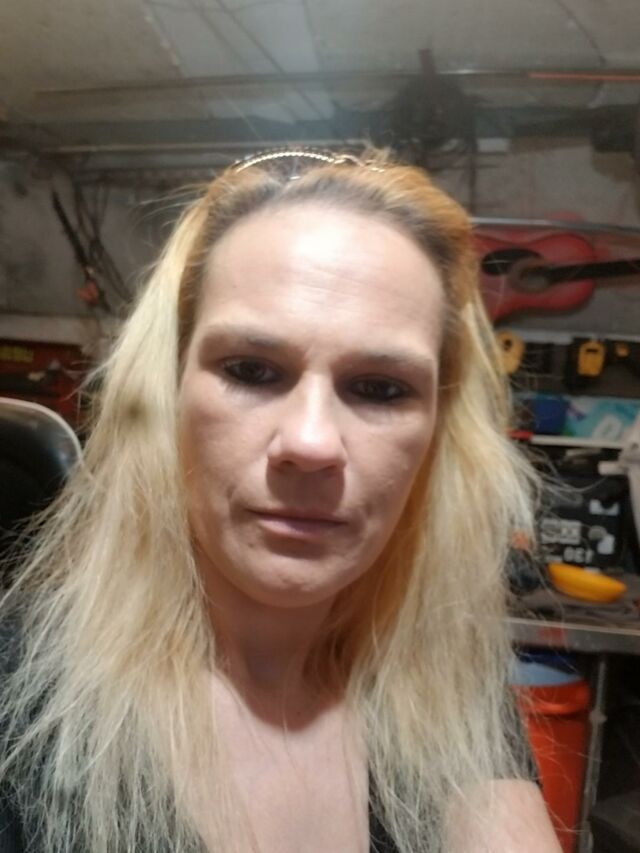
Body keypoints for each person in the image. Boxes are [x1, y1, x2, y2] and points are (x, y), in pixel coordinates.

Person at [0, 148, 561, 853]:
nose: (311, 442)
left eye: (380, 388)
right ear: (169, 392)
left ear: (438, 437)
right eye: (251, 370)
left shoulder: (441, 686)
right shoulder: (18, 703)